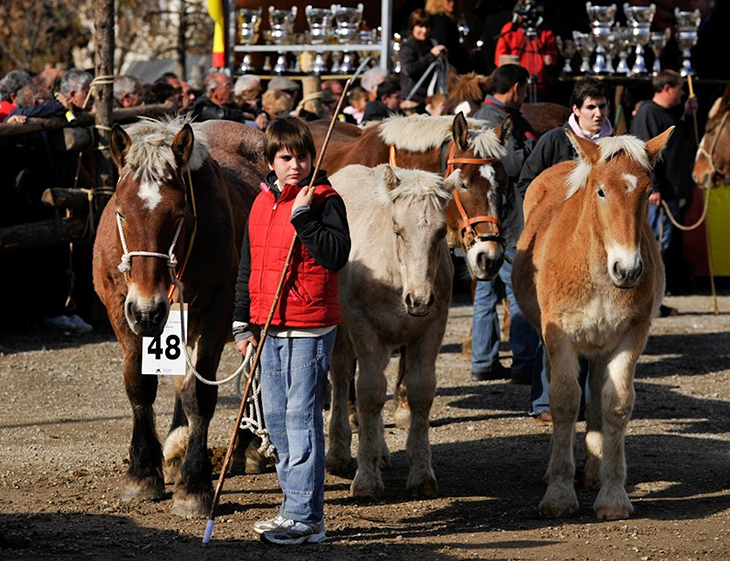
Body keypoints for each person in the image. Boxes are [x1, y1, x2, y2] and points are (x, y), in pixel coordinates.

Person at [232, 117, 350, 545]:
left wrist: (305, 220)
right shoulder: (262, 202)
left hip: (309, 325)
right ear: (270, 161)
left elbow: (337, 255)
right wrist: (241, 322)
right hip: (267, 326)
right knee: (278, 423)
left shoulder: (323, 200)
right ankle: (293, 508)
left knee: (302, 420)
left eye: (302, 157)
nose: (295, 165)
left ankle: (305, 518)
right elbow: (249, 265)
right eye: (286, 158)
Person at [516, 75, 612, 422]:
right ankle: (544, 402)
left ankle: (587, 403)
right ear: (576, 110)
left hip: (600, 248)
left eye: (602, 106)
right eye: (591, 107)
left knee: (598, 329)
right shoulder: (555, 140)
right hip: (556, 243)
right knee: (554, 326)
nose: (598, 113)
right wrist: (542, 222)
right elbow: (528, 182)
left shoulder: (615, 145)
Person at [471, 64, 539, 385]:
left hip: (488, 224)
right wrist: (532, 148)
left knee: (486, 291)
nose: (525, 95)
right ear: (515, 88)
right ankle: (524, 363)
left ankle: (484, 359)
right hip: (507, 220)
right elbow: (515, 164)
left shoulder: (485, 116)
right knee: (517, 290)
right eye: (524, 89)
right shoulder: (495, 121)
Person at [629, 70, 698, 316]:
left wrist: (687, 115)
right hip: (660, 194)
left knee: (664, 247)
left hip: (673, 191)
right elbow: (644, 151)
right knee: (655, 246)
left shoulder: (668, 114)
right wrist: (653, 187)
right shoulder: (648, 112)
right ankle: (647, 299)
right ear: (667, 88)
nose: (683, 92)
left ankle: (654, 299)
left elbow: (683, 142)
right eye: (680, 88)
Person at [494, 0, 558, 99]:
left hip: (539, 84)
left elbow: (552, 53)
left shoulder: (545, 31)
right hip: (516, 86)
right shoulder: (510, 30)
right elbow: (499, 57)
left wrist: (550, 58)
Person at [398, 9, 448, 110]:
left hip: (430, 100)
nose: (424, 31)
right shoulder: (407, 47)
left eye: (427, 27)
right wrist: (431, 55)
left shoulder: (431, 44)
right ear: (412, 27)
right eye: (420, 26)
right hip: (413, 100)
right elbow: (409, 69)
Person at [192, 72, 267, 129]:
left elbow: (251, 111)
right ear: (213, 92)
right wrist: (241, 115)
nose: (232, 90)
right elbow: (221, 115)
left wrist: (261, 115)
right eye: (227, 87)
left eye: (232, 86)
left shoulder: (231, 105)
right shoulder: (202, 106)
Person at [425, 0, 471, 73]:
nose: (452, 4)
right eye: (448, 1)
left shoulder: (445, 18)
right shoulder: (440, 20)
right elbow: (442, 44)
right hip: (447, 67)